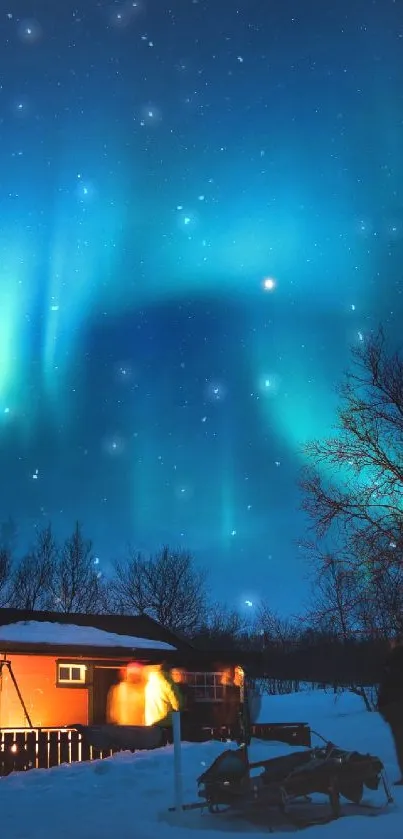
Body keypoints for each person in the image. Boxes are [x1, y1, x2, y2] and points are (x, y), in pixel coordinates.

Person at [377, 637, 403, 785]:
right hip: (394, 706)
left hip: (396, 706)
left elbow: (390, 685)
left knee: (401, 741)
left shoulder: (395, 660)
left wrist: (385, 706)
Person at [107, 661, 145, 726]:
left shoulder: (144, 690)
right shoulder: (119, 689)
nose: (134, 677)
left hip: (140, 728)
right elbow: (112, 714)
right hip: (123, 727)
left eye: (136, 675)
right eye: (132, 675)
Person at [144, 662, 182, 727]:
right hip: (165, 721)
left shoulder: (150, 682)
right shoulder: (168, 682)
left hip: (151, 722)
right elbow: (178, 705)